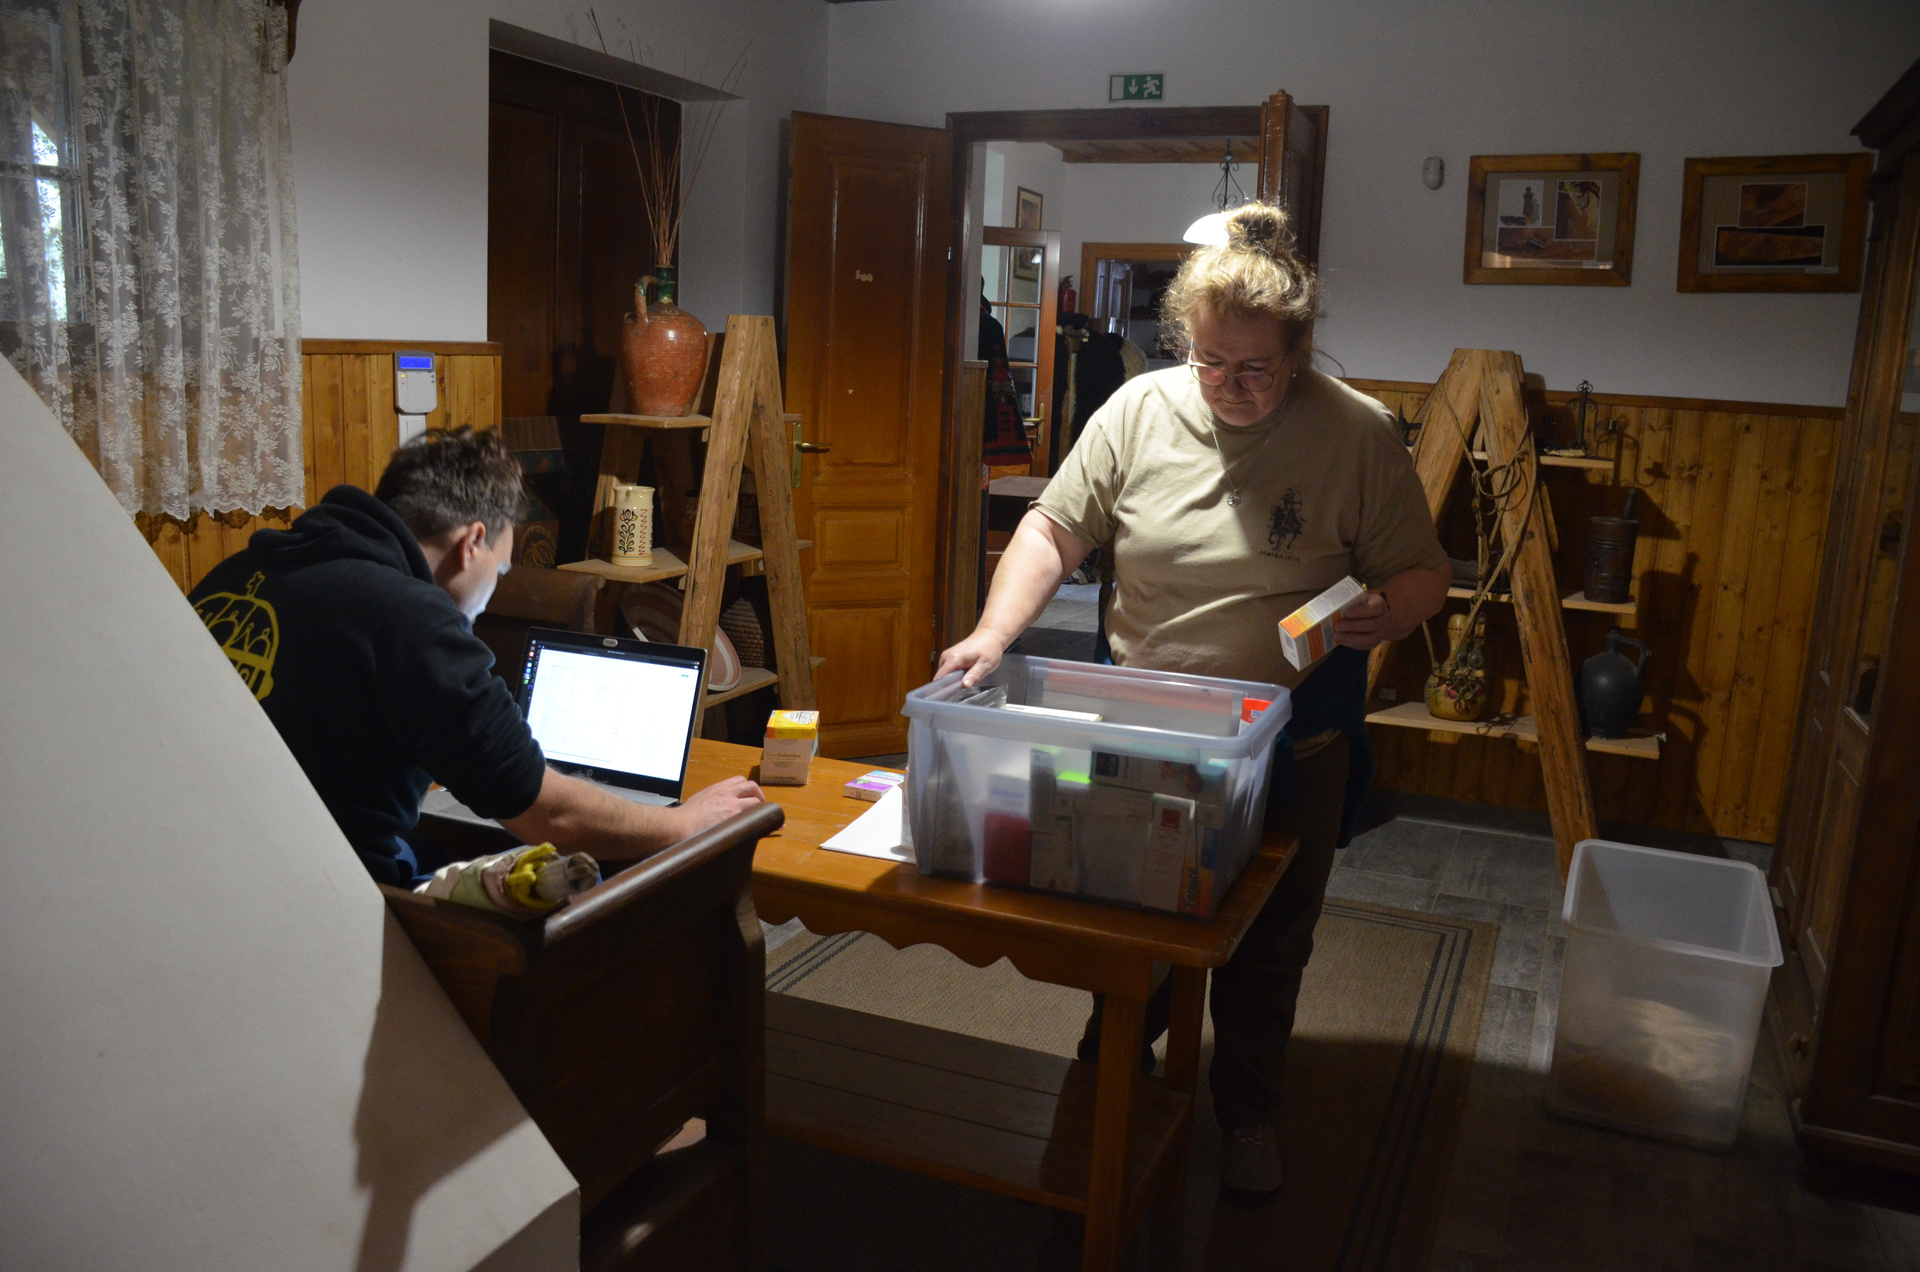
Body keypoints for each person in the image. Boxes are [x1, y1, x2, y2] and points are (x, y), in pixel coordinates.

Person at [936, 203, 1449, 1202]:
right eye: (1211, 361)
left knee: (1270, 944)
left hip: (1292, 740)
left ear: (1299, 353)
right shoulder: (1138, 410)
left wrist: (1390, 610)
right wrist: (995, 632)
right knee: (1130, 920)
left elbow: (1424, 572)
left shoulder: (1356, 431)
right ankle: (1110, 1076)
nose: (1230, 386)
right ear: (1185, 340)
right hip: (1146, 727)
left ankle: (1248, 1110)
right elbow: (1052, 529)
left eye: (1257, 368)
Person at [189, 426, 763, 887]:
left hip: (199, 865)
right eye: (501, 568)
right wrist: (683, 822)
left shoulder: (237, 573)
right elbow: (551, 816)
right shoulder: (413, 620)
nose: (490, 595)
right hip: (323, 899)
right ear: (470, 544)